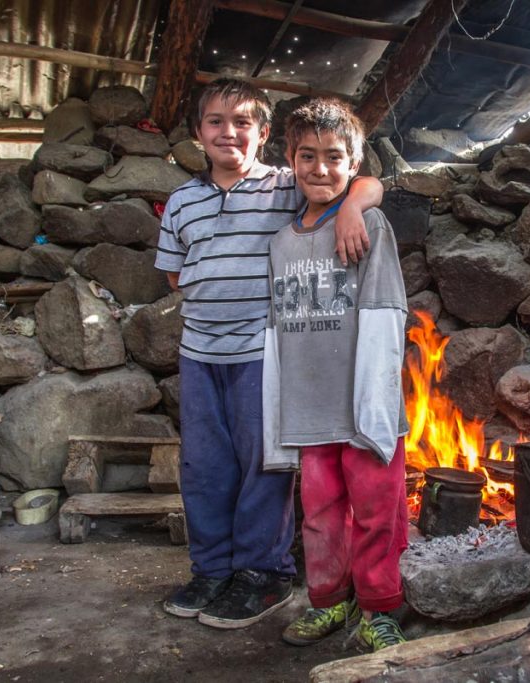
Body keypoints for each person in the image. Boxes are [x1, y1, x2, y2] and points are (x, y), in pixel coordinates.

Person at [155, 79, 382, 630]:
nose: (227, 132)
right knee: (204, 467)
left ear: (264, 135)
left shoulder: (286, 186)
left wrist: (353, 208)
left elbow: (369, 181)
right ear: (198, 132)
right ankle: (211, 570)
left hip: (264, 353)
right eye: (215, 121)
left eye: (242, 123)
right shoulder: (183, 201)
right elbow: (172, 273)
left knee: (265, 465)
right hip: (200, 353)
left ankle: (263, 574)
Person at [262, 98, 410, 652]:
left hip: (363, 406)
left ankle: (379, 609)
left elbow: (386, 312)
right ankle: (329, 601)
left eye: (333, 157)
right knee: (320, 517)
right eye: (307, 156)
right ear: (290, 159)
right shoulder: (280, 244)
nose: (319, 169)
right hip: (308, 409)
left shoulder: (368, 222)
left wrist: (376, 402)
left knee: (378, 514)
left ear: (353, 164)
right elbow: (276, 332)